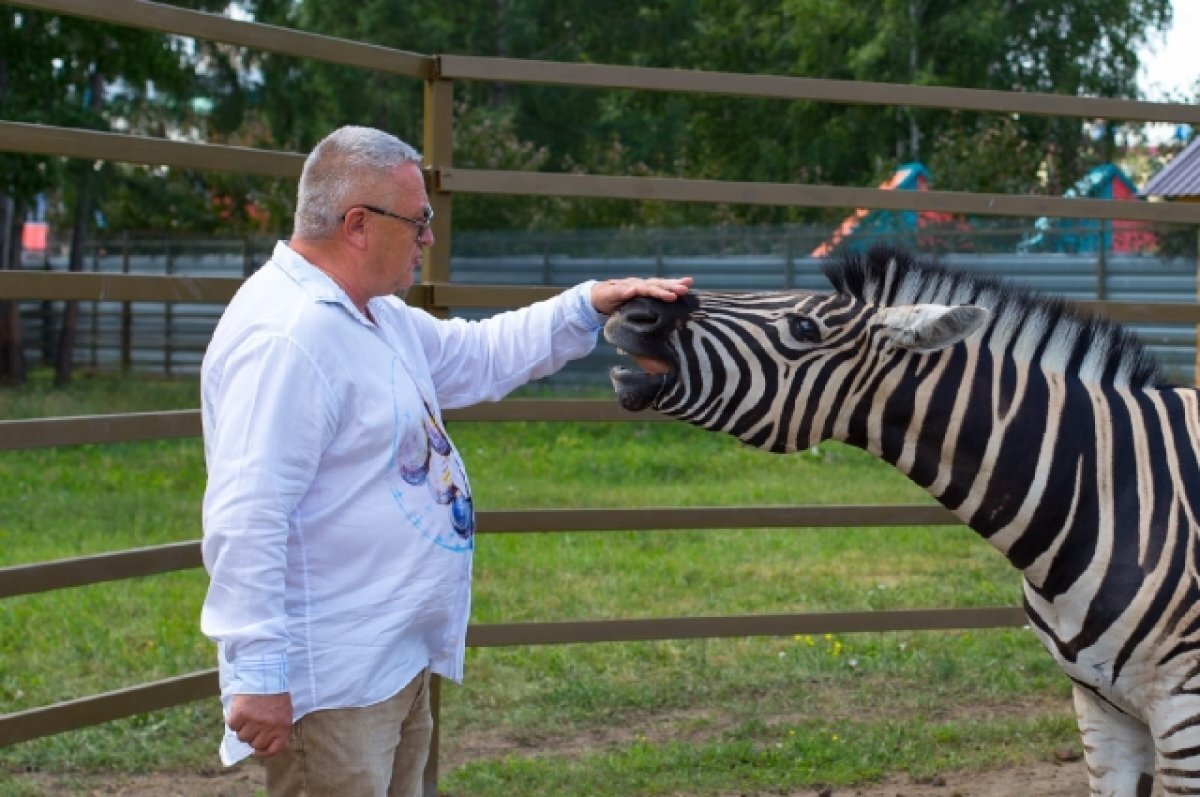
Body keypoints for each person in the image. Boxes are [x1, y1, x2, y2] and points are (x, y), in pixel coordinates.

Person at [198, 124, 691, 796]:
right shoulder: (291, 335)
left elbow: (478, 355)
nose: (429, 236)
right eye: (419, 219)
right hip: (336, 679)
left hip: (390, 657)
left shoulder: (370, 315)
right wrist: (257, 675)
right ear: (359, 225)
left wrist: (587, 304)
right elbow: (246, 514)